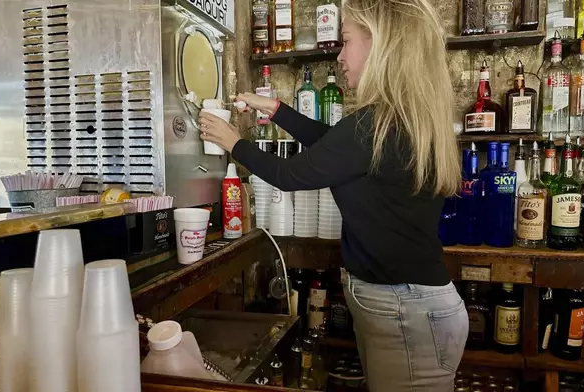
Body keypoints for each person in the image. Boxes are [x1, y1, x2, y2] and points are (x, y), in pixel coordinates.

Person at [198, 0, 468, 390]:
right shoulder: (399, 119)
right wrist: (275, 109)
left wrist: (233, 141)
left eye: (346, 42)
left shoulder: (374, 123)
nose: (340, 56)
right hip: (412, 307)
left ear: (381, 46)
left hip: (405, 312)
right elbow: (330, 144)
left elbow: (289, 174)